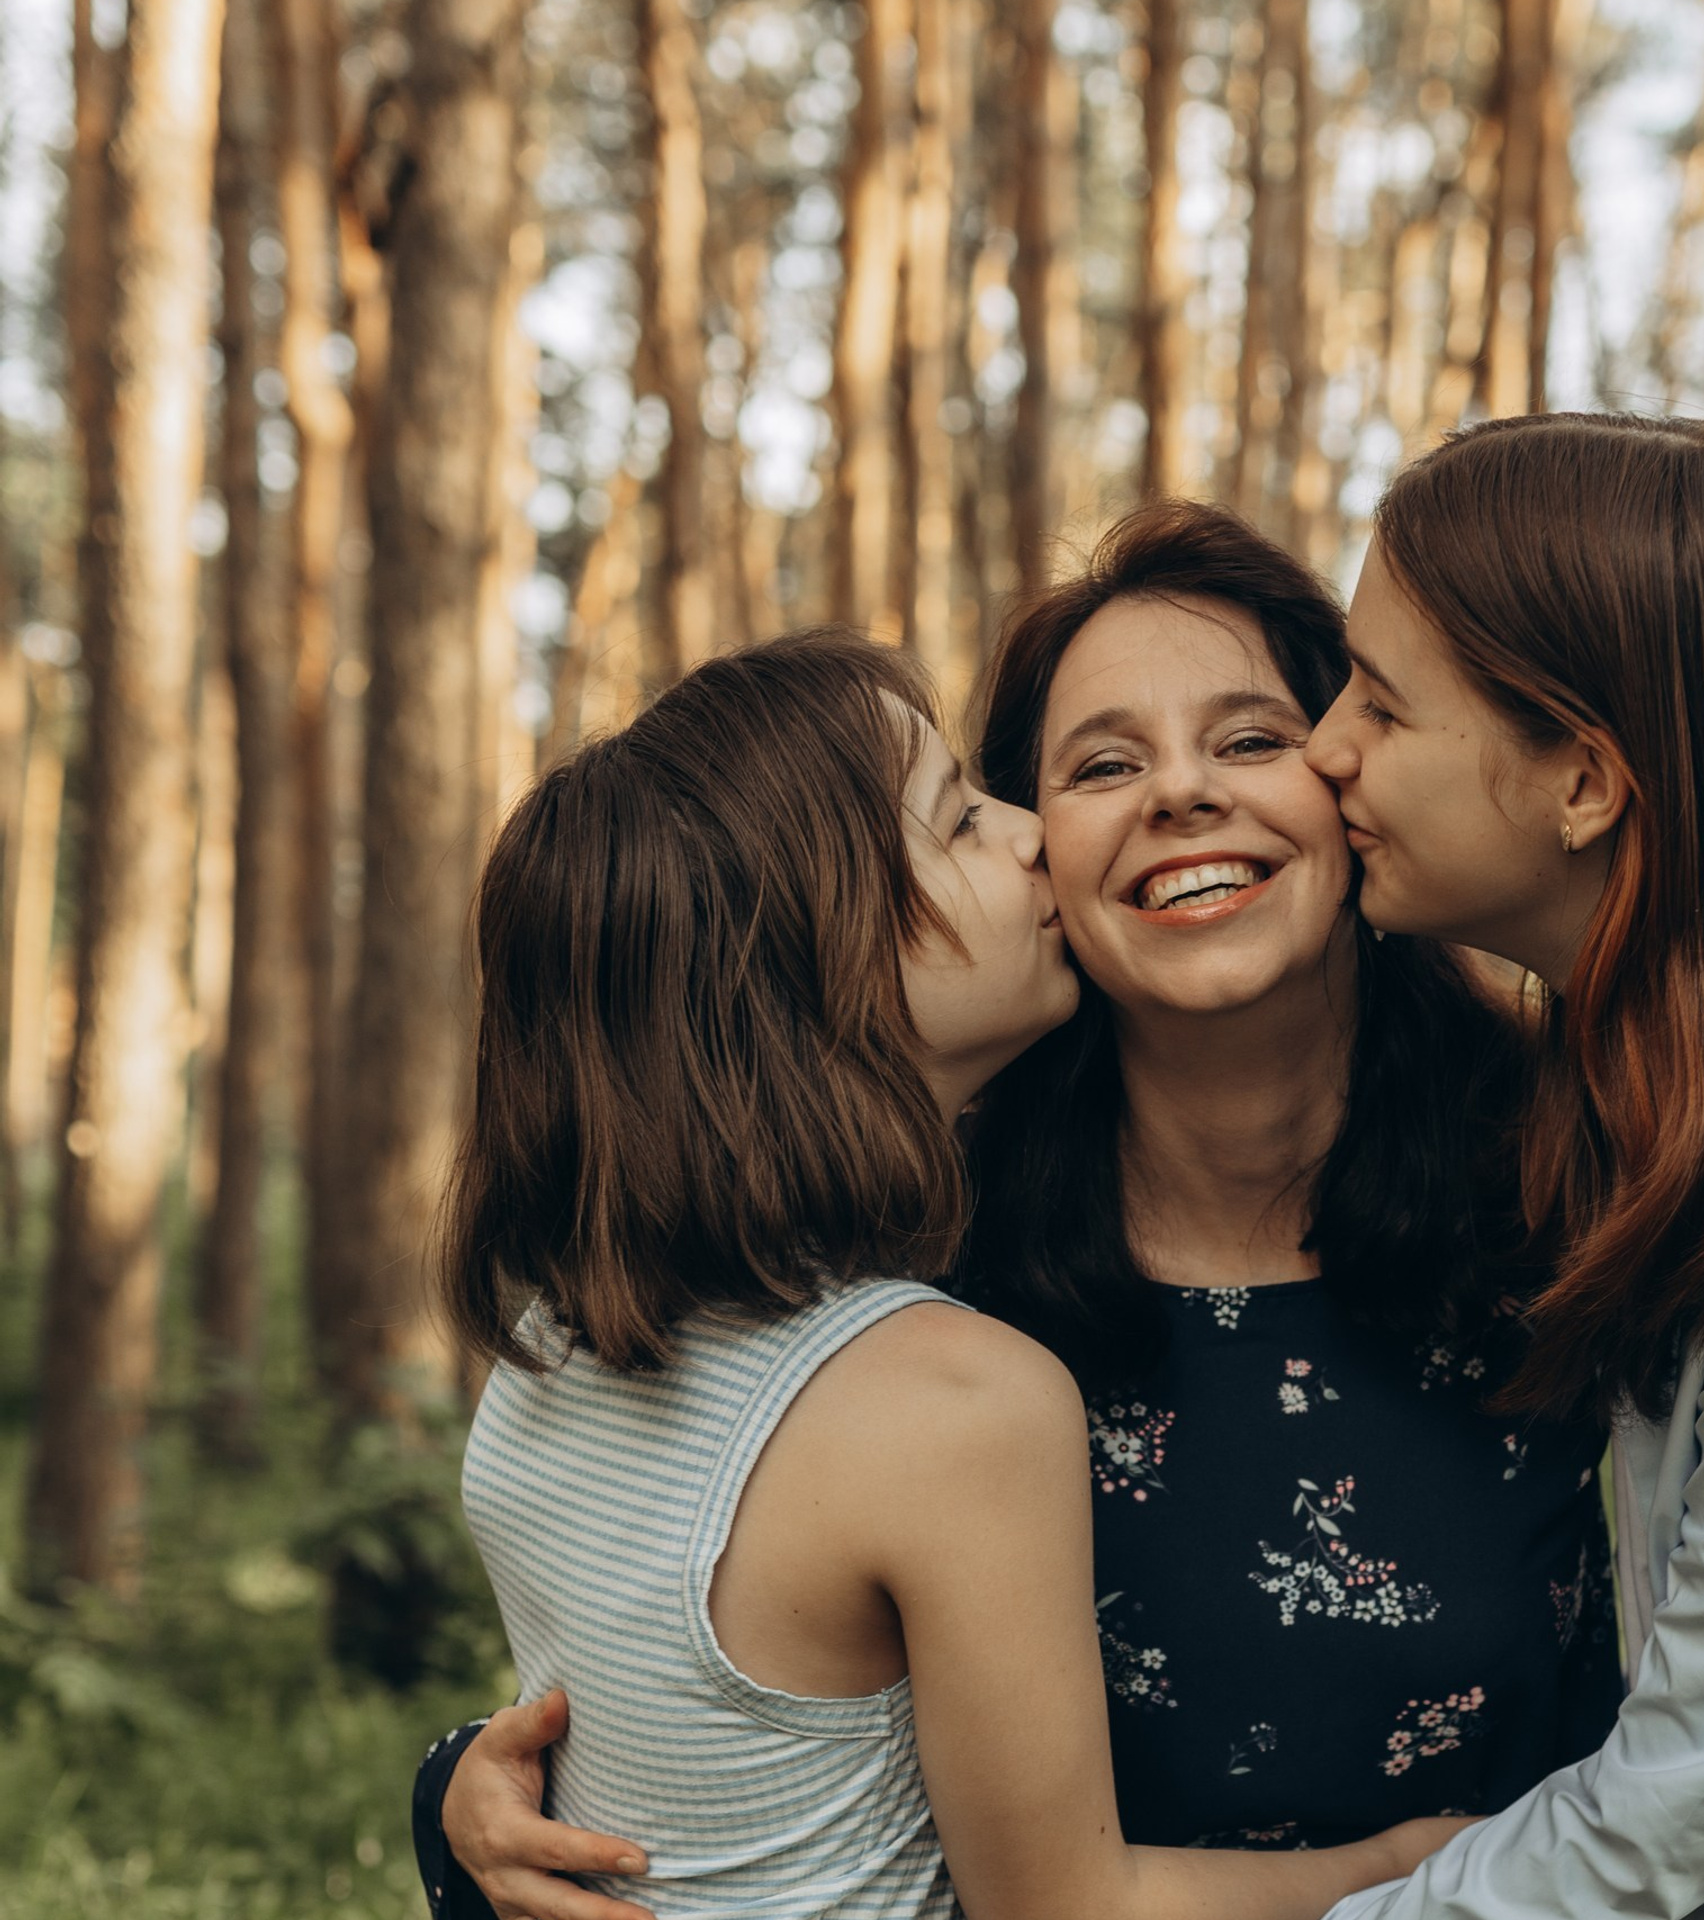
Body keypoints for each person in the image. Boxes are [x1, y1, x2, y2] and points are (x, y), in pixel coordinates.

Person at [420, 510, 1619, 1920]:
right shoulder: (893, 1268)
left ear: (1353, 784)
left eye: (1248, 740)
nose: (1177, 796)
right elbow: (692, 1651)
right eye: (1099, 766)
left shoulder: (1585, 1169)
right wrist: (466, 1798)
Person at [1301, 410, 1704, 1917]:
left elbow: (1650, 1836)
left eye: (1383, 706)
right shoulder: (1644, 1078)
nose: (1326, 747)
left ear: (1584, 782)